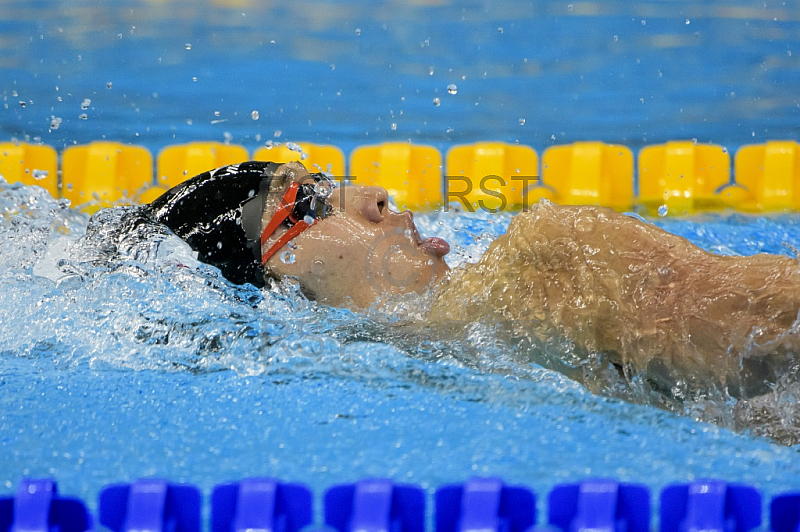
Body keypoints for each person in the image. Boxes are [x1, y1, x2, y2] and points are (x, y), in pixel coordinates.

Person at [145, 160, 800, 404]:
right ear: (270, 292)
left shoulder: (552, 257)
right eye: (309, 206)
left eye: (333, 181)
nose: (374, 195)